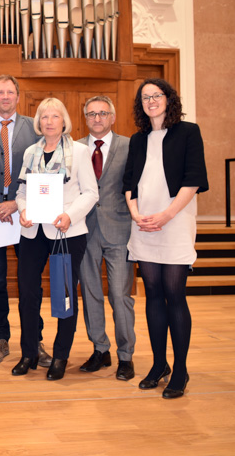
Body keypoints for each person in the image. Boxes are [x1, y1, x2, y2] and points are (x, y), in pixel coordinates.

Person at [123, 78, 208, 399]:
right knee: (154, 294)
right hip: (143, 223)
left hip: (174, 221)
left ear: (169, 99)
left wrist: (166, 215)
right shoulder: (138, 139)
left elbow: (194, 178)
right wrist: (135, 213)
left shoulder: (188, 132)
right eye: (145, 97)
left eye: (156, 95)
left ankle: (181, 368)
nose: (151, 101)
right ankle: (159, 365)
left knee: (175, 294)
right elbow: (129, 182)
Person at [14, 97, 98, 380]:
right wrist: (23, 211)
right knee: (27, 294)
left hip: (66, 231)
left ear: (64, 121)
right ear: (38, 122)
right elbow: (22, 192)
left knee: (63, 293)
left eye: (55, 116)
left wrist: (70, 216)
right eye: (44, 116)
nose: (49, 121)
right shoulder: (30, 152)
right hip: (32, 231)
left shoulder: (80, 151)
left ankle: (61, 355)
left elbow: (90, 193)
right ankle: (29, 352)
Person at [0, 75, 50, 367]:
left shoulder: (34, 127)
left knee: (30, 280)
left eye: (10, 92)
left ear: (18, 97)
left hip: (25, 214)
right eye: (0, 93)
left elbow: (42, 171)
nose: (5, 97)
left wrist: (16, 204)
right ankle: (2, 336)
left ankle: (35, 339)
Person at [77, 95, 136, 381]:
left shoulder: (130, 145)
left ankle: (126, 355)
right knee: (90, 293)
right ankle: (100, 349)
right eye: (91, 114)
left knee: (120, 295)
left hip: (120, 230)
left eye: (102, 113)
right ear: (85, 118)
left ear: (112, 117)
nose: (97, 119)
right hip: (84, 231)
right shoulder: (74, 148)